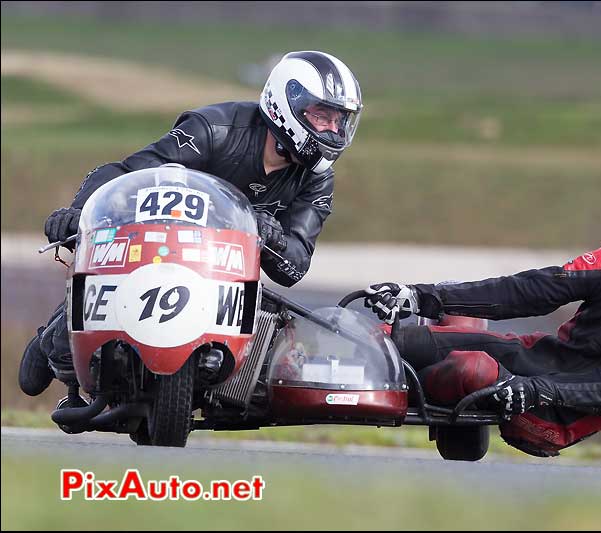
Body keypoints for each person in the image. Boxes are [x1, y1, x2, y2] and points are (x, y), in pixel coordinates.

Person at [19, 50, 363, 396]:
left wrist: (272, 238)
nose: (332, 129)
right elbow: (127, 175)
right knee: (56, 360)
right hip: (161, 248)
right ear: (285, 105)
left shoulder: (317, 179)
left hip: (227, 276)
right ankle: (60, 330)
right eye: (322, 116)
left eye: (339, 121)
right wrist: (79, 213)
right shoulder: (213, 129)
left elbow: (295, 265)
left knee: (281, 363)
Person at [363, 212, 601, 457]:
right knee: (394, 339)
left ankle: (446, 413)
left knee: (474, 369)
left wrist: (541, 391)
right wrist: (422, 296)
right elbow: (528, 291)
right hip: (536, 358)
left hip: (557, 417)